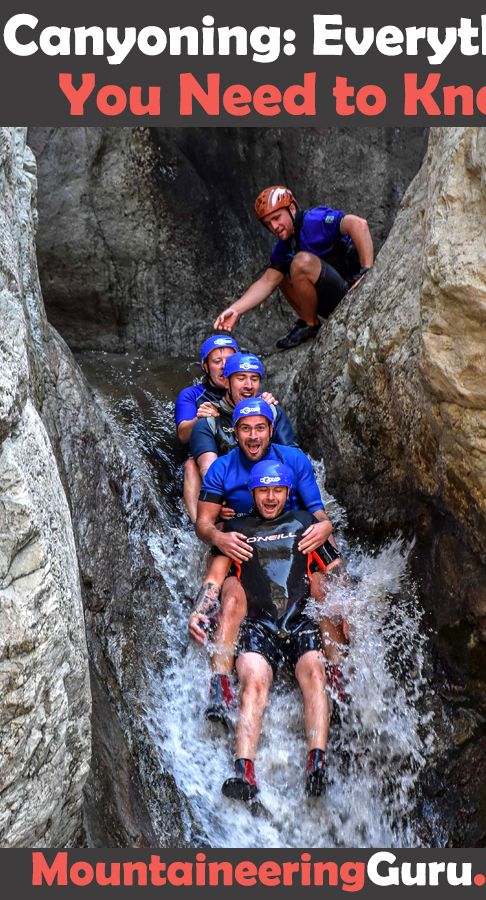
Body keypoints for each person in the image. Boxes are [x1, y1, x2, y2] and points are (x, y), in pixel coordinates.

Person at [190, 461, 346, 799]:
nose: (271, 497)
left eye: (278, 490)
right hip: (259, 624)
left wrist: (348, 614)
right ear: (253, 492)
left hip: (299, 620)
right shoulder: (236, 529)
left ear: (288, 492)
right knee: (253, 682)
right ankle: (244, 771)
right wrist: (199, 611)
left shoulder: (306, 524)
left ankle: (316, 763)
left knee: (315, 673)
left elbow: (335, 573)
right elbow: (215, 580)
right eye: (264, 490)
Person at [195, 398, 340, 725]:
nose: (253, 435)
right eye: (245, 428)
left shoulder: (292, 458)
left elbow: (317, 512)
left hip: (287, 541)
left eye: (260, 427)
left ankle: (339, 673)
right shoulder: (222, 467)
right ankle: (219, 684)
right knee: (231, 594)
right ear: (235, 432)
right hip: (240, 543)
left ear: (271, 430)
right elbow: (203, 524)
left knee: (323, 582)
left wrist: (327, 527)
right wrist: (220, 537)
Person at [213, 186, 374, 350]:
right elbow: (267, 282)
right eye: (268, 223)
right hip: (333, 301)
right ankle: (310, 325)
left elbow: (358, 224)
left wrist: (367, 271)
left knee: (300, 262)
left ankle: (310, 324)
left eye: (277, 218)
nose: (274, 226)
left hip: (352, 288)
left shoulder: (314, 220)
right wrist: (235, 309)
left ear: (292, 208)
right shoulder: (282, 247)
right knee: (279, 274)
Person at [175, 337, 277, 522]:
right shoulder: (192, 394)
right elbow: (182, 435)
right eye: (217, 361)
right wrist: (200, 417)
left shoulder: (247, 390)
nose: (223, 366)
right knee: (190, 464)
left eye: (229, 361)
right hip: (208, 457)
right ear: (205, 366)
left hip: (246, 455)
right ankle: (203, 525)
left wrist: (267, 405)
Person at [189, 352, 298, 488]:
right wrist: (215, 499)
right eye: (241, 378)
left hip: (270, 488)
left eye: (254, 379)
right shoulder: (209, 420)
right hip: (229, 491)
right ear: (225, 382)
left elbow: (295, 459)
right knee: (190, 465)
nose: (249, 385)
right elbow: (208, 470)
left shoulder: (273, 412)